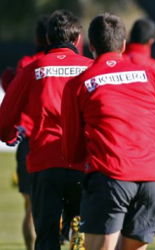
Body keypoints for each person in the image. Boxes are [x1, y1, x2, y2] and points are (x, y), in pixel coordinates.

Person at [61, 13, 155, 250]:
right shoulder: (151, 75)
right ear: (123, 45)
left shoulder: (78, 83)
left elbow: (72, 150)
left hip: (111, 171)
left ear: (91, 45)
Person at [0, 10, 92, 250]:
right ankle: (77, 234)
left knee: (46, 238)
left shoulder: (33, 68)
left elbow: (5, 117)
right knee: (85, 232)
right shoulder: (92, 69)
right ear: (78, 40)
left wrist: (9, 136)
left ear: (47, 39)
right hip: (83, 164)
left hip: (44, 164)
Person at [0, 15, 49, 250]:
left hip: (30, 142)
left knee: (30, 207)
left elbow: (13, 93)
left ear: (38, 37)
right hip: (60, 142)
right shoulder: (71, 63)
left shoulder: (26, 63)